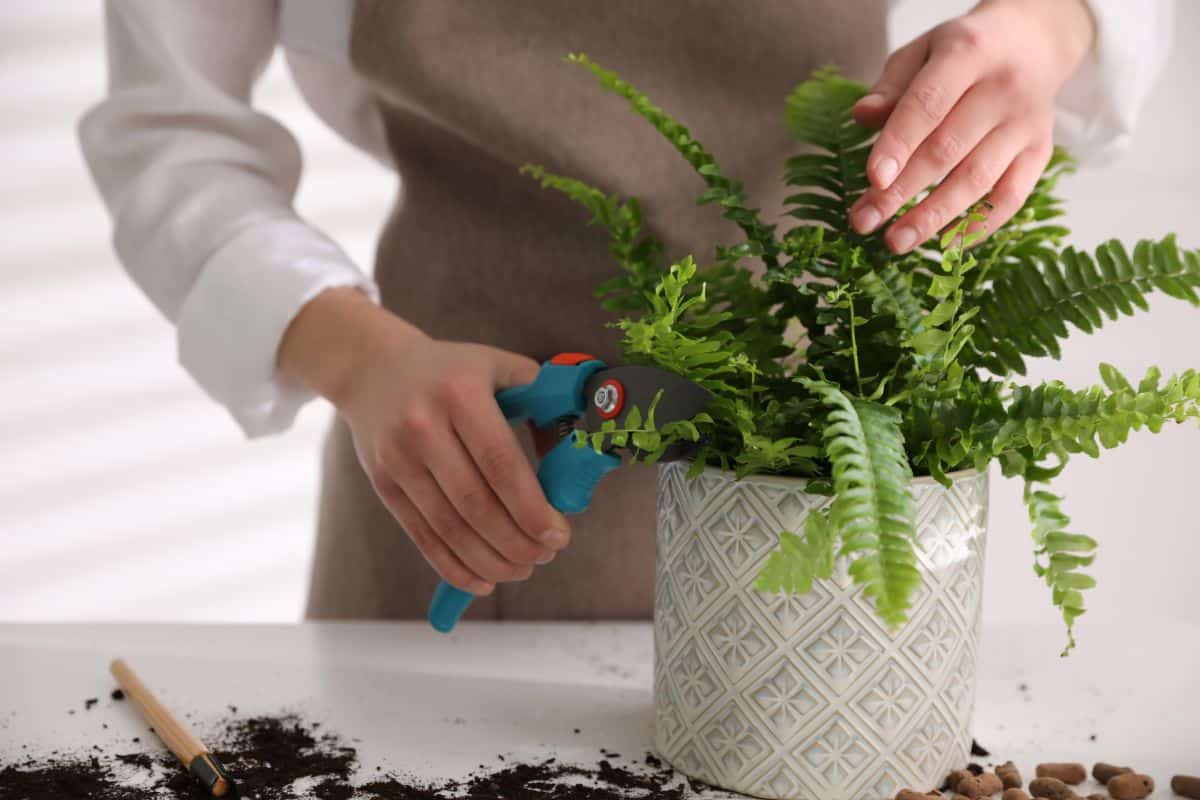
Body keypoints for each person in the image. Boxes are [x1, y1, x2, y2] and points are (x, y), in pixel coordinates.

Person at [80, 0, 1170, 620]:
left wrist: (1047, 27)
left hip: (832, 482)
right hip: (451, 455)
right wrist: (360, 358)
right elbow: (168, 129)